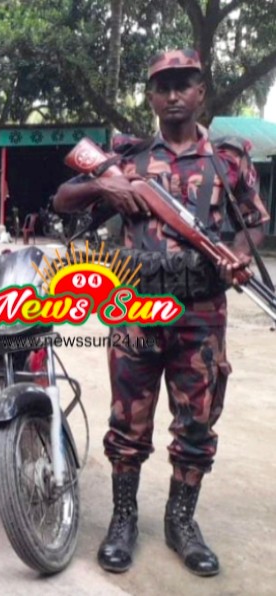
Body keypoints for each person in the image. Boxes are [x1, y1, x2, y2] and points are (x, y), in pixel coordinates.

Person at [52, 48, 269, 578]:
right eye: (163, 86)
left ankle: (181, 522)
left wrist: (239, 253)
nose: (173, 95)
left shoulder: (227, 159)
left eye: (184, 84)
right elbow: (62, 199)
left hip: (202, 311)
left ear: (201, 92)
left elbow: (255, 220)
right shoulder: (127, 158)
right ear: (150, 97)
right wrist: (104, 183)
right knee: (128, 421)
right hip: (135, 310)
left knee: (197, 423)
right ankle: (123, 519)